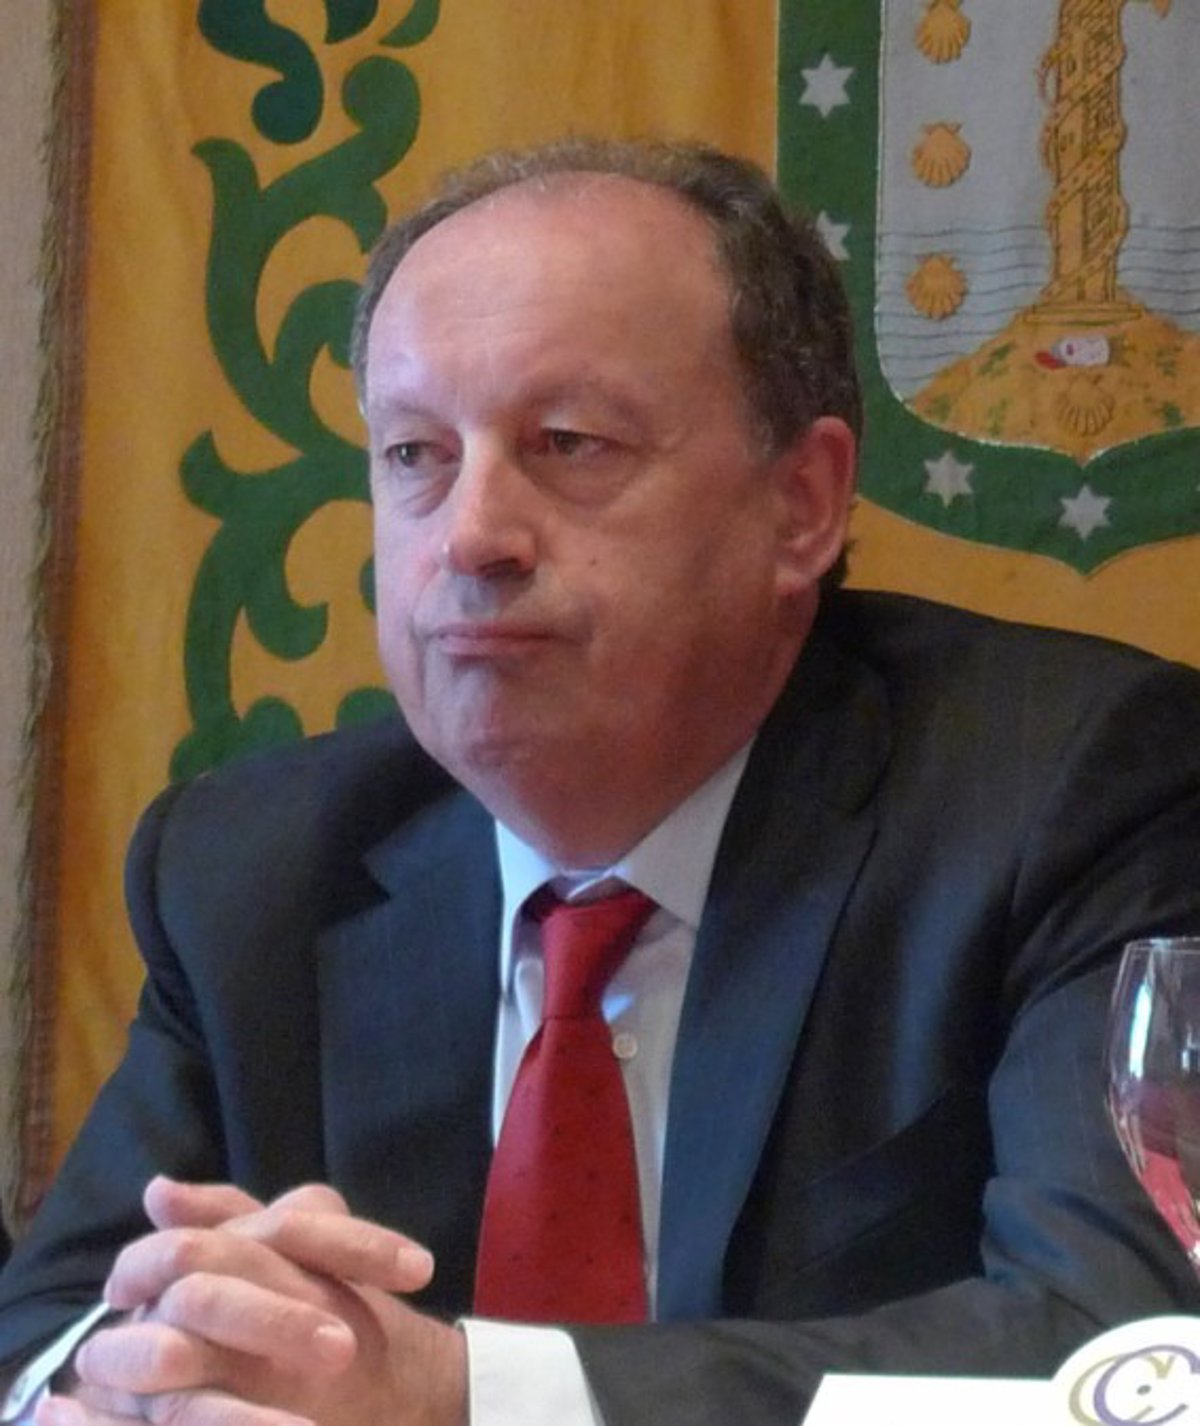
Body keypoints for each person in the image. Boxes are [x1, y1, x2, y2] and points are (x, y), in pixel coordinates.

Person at [1, 137, 1199, 1426]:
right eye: (414, 454)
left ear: (802, 504)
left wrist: (458, 1395)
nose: (472, 535)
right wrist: (142, 1377)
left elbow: (1129, 1351)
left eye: (569, 443)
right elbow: (51, 1321)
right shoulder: (252, 864)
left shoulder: (1074, 790)